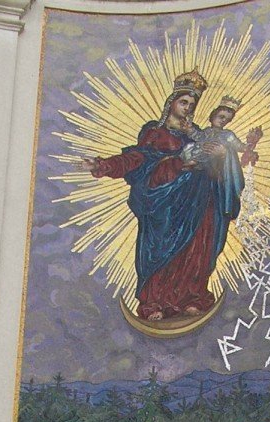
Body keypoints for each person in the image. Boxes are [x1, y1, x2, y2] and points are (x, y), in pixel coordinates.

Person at [81, 70, 247, 324]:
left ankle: (191, 297)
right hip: (166, 203)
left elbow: (215, 166)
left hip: (198, 201)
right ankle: (155, 301)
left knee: (197, 248)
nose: (188, 108)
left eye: (192, 105)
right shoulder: (155, 133)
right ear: (171, 102)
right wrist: (102, 165)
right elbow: (138, 160)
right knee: (161, 249)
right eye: (184, 102)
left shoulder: (199, 134)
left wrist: (222, 156)